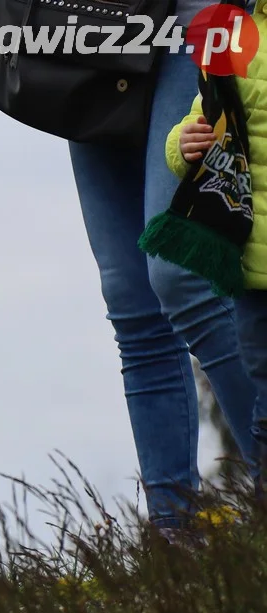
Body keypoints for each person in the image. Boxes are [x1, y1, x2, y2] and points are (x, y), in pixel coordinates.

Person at [66, 0, 258, 538]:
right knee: (131, 303)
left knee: (181, 274)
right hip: (92, 31)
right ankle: (176, 543)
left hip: (193, 20)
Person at [168, 1, 267, 497]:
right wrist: (183, 144)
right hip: (252, 272)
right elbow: (200, 117)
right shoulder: (232, 34)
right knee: (264, 398)